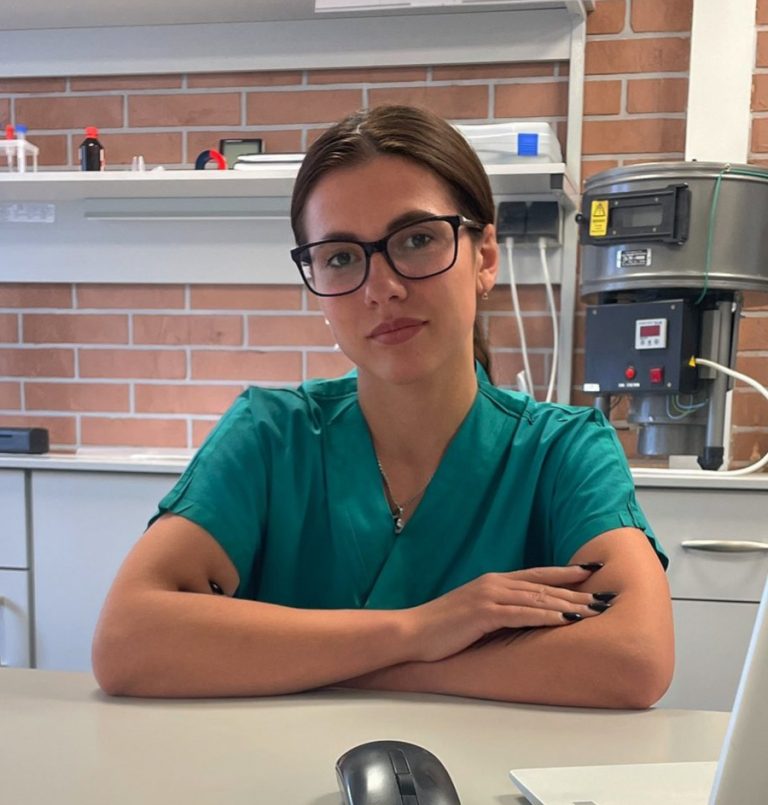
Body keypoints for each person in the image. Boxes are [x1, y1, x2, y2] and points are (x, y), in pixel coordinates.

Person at [92, 104, 674, 708]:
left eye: (417, 240)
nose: (382, 289)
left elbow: (632, 657)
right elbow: (128, 641)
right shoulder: (270, 436)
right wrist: (419, 630)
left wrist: (338, 667)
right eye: (341, 256)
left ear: (484, 256)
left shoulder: (562, 451)